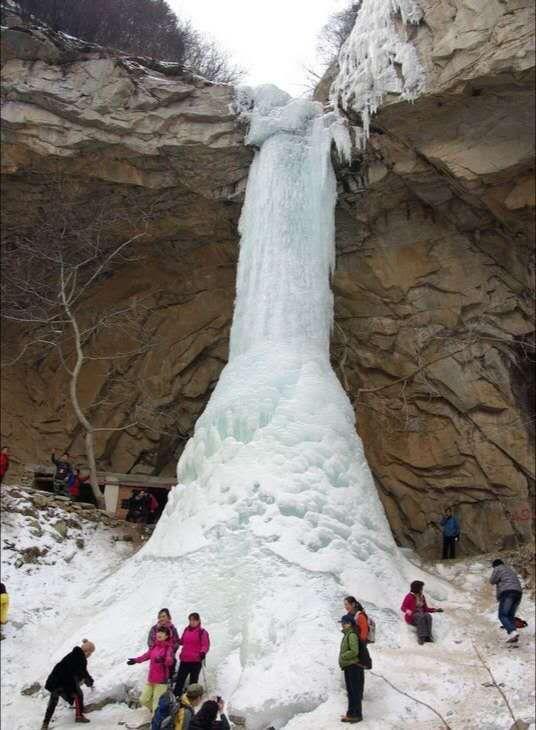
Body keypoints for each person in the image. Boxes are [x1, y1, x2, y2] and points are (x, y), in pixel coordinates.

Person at [41, 639, 95, 728]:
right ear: (87, 651)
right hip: (64, 682)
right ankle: (79, 716)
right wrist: (90, 683)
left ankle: (45, 724)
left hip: (54, 681)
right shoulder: (81, 658)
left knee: (53, 702)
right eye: (91, 653)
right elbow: (84, 673)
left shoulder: (73, 654)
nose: (90, 655)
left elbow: (78, 672)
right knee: (78, 694)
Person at [127, 625, 174, 714]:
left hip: (161, 681)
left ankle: (155, 722)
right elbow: (146, 656)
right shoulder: (154, 647)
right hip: (151, 679)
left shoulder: (168, 648)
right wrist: (135, 660)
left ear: (166, 636)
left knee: (156, 704)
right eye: (158, 632)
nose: (159, 634)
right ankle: (158, 713)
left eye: (162, 632)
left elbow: (170, 661)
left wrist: (164, 659)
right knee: (143, 699)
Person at [174, 613, 210, 698]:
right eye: (190, 620)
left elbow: (205, 645)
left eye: (194, 620)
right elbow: (182, 641)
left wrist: (203, 652)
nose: (192, 622)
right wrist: (175, 639)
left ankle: (191, 701)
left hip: (196, 661)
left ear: (198, 621)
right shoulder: (186, 630)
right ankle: (176, 698)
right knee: (180, 680)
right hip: (184, 660)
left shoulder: (202, 632)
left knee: (193, 682)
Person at [338, 614, 365, 724]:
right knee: (351, 691)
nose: (342, 625)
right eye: (342, 623)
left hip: (353, 666)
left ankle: (357, 715)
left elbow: (354, 651)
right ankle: (351, 714)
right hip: (349, 666)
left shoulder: (352, 635)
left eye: (344, 623)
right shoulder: (348, 634)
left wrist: (343, 656)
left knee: (354, 692)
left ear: (349, 623)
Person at [490, 559, 523, 643]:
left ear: (495, 565)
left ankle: (512, 631)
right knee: (510, 615)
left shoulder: (498, 568)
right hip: (518, 593)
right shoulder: (510, 570)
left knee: (503, 615)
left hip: (507, 592)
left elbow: (492, 581)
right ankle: (513, 635)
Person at [400, 580, 443, 644]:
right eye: (421, 587)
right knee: (420, 616)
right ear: (417, 588)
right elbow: (403, 607)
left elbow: (425, 608)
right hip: (412, 617)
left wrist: (435, 610)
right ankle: (421, 637)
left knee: (428, 616)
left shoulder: (422, 597)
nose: (422, 589)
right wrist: (410, 612)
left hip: (420, 614)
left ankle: (428, 636)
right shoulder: (409, 596)